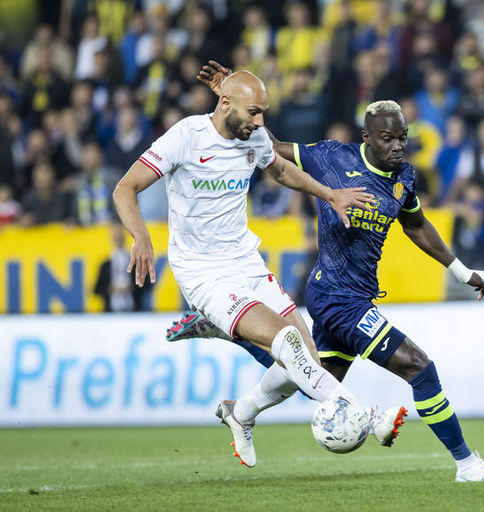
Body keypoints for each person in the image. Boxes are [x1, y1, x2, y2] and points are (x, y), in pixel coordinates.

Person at [168, 61, 484, 483]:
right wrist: (234, 98)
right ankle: (467, 465)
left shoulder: (404, 177)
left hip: (358, 294)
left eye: (402, 138)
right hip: (336, 297)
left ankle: (232, 371)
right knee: (419, 367)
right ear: (367, 137)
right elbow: (271, 147)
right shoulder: (332, 157)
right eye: (387, 138)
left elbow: (416, 225)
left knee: (304, 374)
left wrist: (462, 271)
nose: (397, 147)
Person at [112, 70, 405, 469]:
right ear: (226, 103)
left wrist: (329, 194)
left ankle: (241, 413)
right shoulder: (186, 136)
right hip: (204, 273)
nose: (260, 121)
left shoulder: (254, 138)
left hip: (246, 261)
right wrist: (141, 237)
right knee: (287, 341)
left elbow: (280, 170)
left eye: (263, 112)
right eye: (253, 112)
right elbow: (124, 188)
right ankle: (366, 415)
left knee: (304, 361)